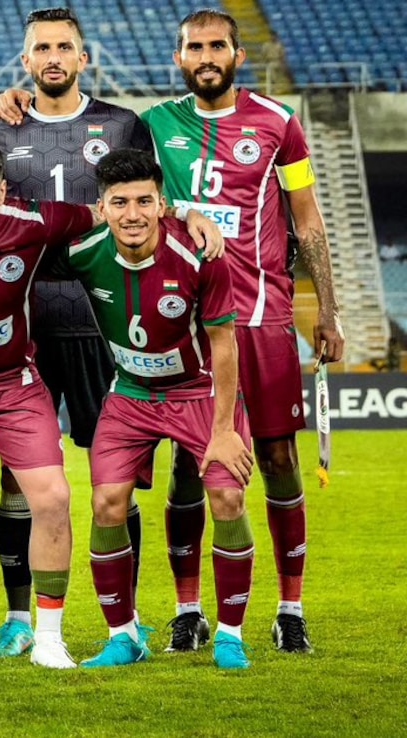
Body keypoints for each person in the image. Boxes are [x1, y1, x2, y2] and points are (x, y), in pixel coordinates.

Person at [0, 139, 220, 674]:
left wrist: (188, 213)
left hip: (11, 383)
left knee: (53, 497)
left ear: (4, 191)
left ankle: (48, 637)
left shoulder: (35, 222)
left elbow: (115, 211)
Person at [142, 9, 343, 653]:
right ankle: (188, 610)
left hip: (264, 317)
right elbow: (135, 198)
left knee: (280, 460)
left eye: (217, 46)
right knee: (187, 463)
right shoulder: (154, 125)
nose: (206, 56)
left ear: (237, 54)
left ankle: (290, 608)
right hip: (187, 324)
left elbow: (307, 220)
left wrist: (328, 310)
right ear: (178, 57)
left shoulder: (279, 123)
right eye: (194, 47)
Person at [0, 6, 152, 660]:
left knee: (116, 479)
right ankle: (17, 619)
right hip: (23, 325)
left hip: (104, 322)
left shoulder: (123, 125)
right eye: (41, 48)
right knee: (15, 477)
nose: (53, 57)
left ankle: (126, 620)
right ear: (25, 60)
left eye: (64, 47)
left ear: (83, 58)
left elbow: (145, 213)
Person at [57, 148, 255, 670]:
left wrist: (225, 430)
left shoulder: (200, 255)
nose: (133, 214)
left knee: (228, 498)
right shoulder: (83, 251)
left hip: (198, 392)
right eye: (120, 202)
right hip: (131, 394)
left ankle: (230, 636)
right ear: (101, 208)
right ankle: (123, 637)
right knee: (106, 502)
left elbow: (225, 343)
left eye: (144, 201)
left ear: (162, 205)